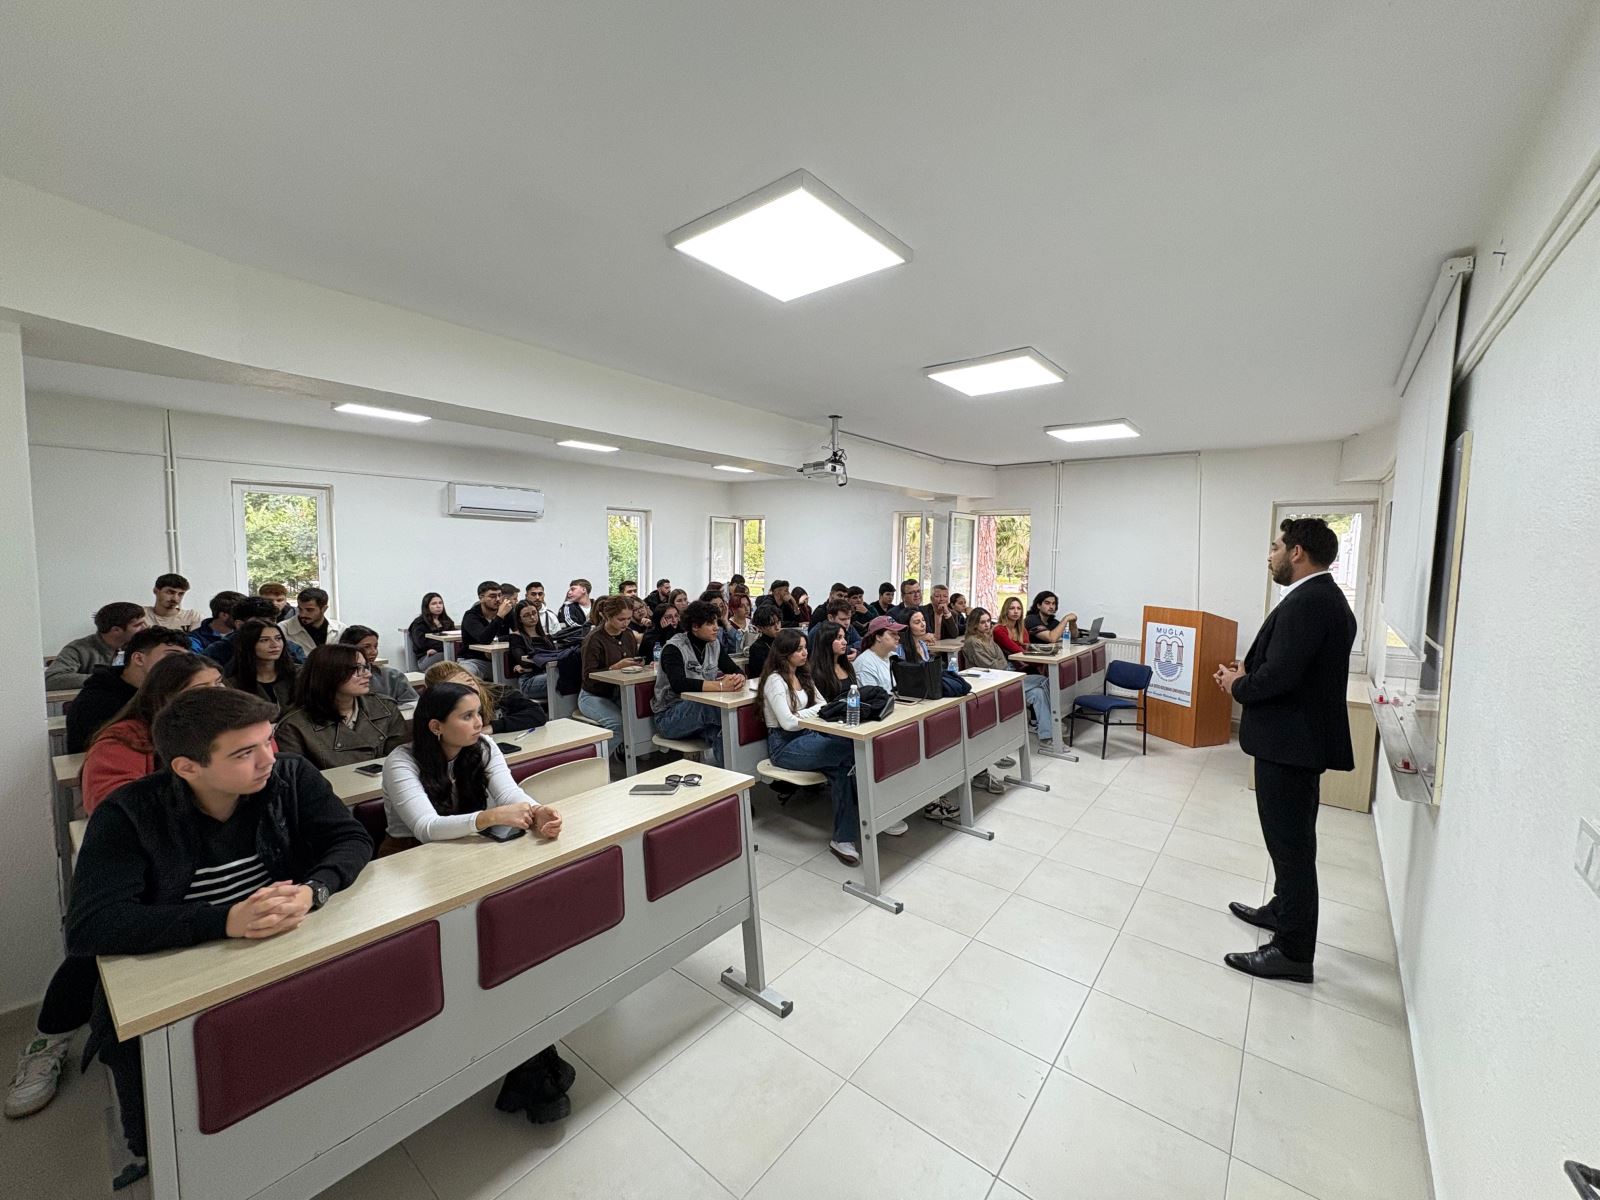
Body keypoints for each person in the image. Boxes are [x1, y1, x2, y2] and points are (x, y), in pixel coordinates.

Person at [65, 689, 372, 1185]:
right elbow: (91, 925)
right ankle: (162, 1157)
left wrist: (315, 889)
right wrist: (224, 921)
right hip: (178, 968)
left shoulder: (288, 776)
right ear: (187, 767)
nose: (267, 758)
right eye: (244, 753)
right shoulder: (130, 814)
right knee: (179, 1120)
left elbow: (351, 838)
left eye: (268, 741)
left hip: (280, 947)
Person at [1215, 518, 1358, 984]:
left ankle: (1293, 952)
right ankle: (1283, 911)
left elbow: (1280, 678)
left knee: (1292, 849)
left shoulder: (1310, 602)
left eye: (1276, 546)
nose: (1271, 555)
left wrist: (1239, 683)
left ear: (1298, 552)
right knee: (1290, 844)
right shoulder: (1321, 598)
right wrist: (1252, 669)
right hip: (1295, 742)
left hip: (1290, 746)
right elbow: (1288, 666)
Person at [759, 629, 908, 866]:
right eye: (798, 649)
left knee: (843, 769)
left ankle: (843, 838)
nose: (805, 652)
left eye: (805, 647)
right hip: (784, 746)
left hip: (807, 735)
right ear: (784, 653)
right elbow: (787, 722)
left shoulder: (803, 675)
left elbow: (826, 706)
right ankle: (875, 814)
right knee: (853, 752)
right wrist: (809, 713)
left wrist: (804, 714)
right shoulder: (775, 680)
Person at [82, 654, 227, 814]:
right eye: (202, 688)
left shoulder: (223, 729)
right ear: (168, 696)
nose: (218, 693)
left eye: (218, 683)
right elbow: (113, 806)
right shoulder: (124, 738)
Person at [272, 644, 407, 769]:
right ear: (328, 674)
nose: (368, 674)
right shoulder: (293, 726)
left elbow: (401, 758)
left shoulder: (384, 707)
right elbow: (298, 779)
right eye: (358, 669)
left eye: (366, 667)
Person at [65, 627, 191, 754]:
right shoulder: (96, 701)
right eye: (172, 656)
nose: (180, 664)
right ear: (138, 659)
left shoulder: (169, 692)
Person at [651, 600, 745, 766]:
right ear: (695, 626)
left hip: (702, 715)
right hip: (670, 716)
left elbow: (734, 669)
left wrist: (739, 678)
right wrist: (721, 686)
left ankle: (731, 776)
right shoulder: (673, 648)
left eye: (716, 622)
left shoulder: (714, 644)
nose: (716, 627)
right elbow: (679, 685)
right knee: (713, 708)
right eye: (710, 624)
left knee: (721, 733)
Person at [965, 606, 1057, 748]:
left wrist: (999, 663)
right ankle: (1053, 725)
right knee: (1043, 682)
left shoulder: (988, 638)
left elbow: (1001, 659)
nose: (987, 625)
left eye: (988, 621)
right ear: (974, 624)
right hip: (992, 683)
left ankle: (1046, 734)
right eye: (982, 622)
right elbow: (991, 665)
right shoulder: (972, 641)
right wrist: (999, 663)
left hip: (1004, 676)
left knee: (1039, 691)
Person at [578, 595, 642, 739]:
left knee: (640, 719)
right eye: (621, 619)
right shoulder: (594, 639)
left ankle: (630, 753)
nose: (626, 623)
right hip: (593, 696)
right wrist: (615, 668)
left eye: (629, 619)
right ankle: (598, 759)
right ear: (608, 616)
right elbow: (588, 677)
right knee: (617, 725)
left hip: (619, 693)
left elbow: (633, 658)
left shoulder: (628, 634)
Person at [423, 661, 547, 733]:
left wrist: (493, 727)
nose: (470, 682)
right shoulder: (441, 712)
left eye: (468, 678)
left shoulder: (498, 692)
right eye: (460, 685)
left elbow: (537, 714)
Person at [46, 602, 147, 690]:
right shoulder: (78, 649)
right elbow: (52, 679)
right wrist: (108, 679)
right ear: (116, 630)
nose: (145, 628)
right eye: (138, 625)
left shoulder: (143, 646)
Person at [203, 596, 308, 672]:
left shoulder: (290, 648)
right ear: (239, 625)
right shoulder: (217, 652)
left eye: (272, 621)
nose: (268, 627)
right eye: (259, 623)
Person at [225, 618, 301, 717]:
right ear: (249, 644)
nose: (275, 645)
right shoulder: (233, 684)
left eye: (278, 638)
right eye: (264, 640)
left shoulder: (299, 674)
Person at [339, 625, 418, 703]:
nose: (374, 652)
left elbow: (411, 704)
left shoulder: (393, 676)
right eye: (366, 647)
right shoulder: (339, 680)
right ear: (348, 649)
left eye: (375, 646)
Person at [460, 580, 513, 677]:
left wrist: (498, 639)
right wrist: (500, 616)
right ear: (481, 598)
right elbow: (484, 639)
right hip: (474, 660)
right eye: (492, 596)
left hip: (500, 659)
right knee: (467, 672)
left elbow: (518, 634)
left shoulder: (508, 612)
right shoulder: (471, 616)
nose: (497, 599)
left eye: (499, 595)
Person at [507, 600, 558, 700]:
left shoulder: (546, 637)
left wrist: (532, 666)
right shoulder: (516, 637)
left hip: (547, 673)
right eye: (527, 615)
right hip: (528, 681)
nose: (532, 617)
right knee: (559, 676)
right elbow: (523, 662)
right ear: (520, 619)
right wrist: (530, 668)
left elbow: (554, 657)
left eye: (534, 613)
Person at [280, 587, 343, 655]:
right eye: (300, 609)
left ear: (324, 609)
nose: (302, 614)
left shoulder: (340, 630)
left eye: (309, 610)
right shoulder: (283, 629)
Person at [806, 621, 856, 704]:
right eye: (839, 638)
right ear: (827, 641)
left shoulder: (847, 666)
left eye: (844, 637)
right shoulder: (815, 672)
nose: (845, 642)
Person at [853, 615, 902, 694]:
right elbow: (872, 699)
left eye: (897, 633)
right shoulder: (865, 664)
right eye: (892, 633)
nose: (898, 637)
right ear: (878, 637)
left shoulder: (893, 656)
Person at [408, 592, 457, 669]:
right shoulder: (419, 623)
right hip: (426, 657)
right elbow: (421, 643)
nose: (438, 606)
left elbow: (454, 639)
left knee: (461, 655)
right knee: (449, 656)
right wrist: (441, 648)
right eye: (434, 604)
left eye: (440, 603)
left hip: (446, 651)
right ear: (427, 606)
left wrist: (437, 648)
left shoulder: (447, 621)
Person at [744, 604, 783, 679]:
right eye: (771, 625)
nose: (777, 627)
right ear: (760, 628)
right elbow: (764, 673)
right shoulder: (757, 648)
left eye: (778, 622)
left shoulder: (784, 641)